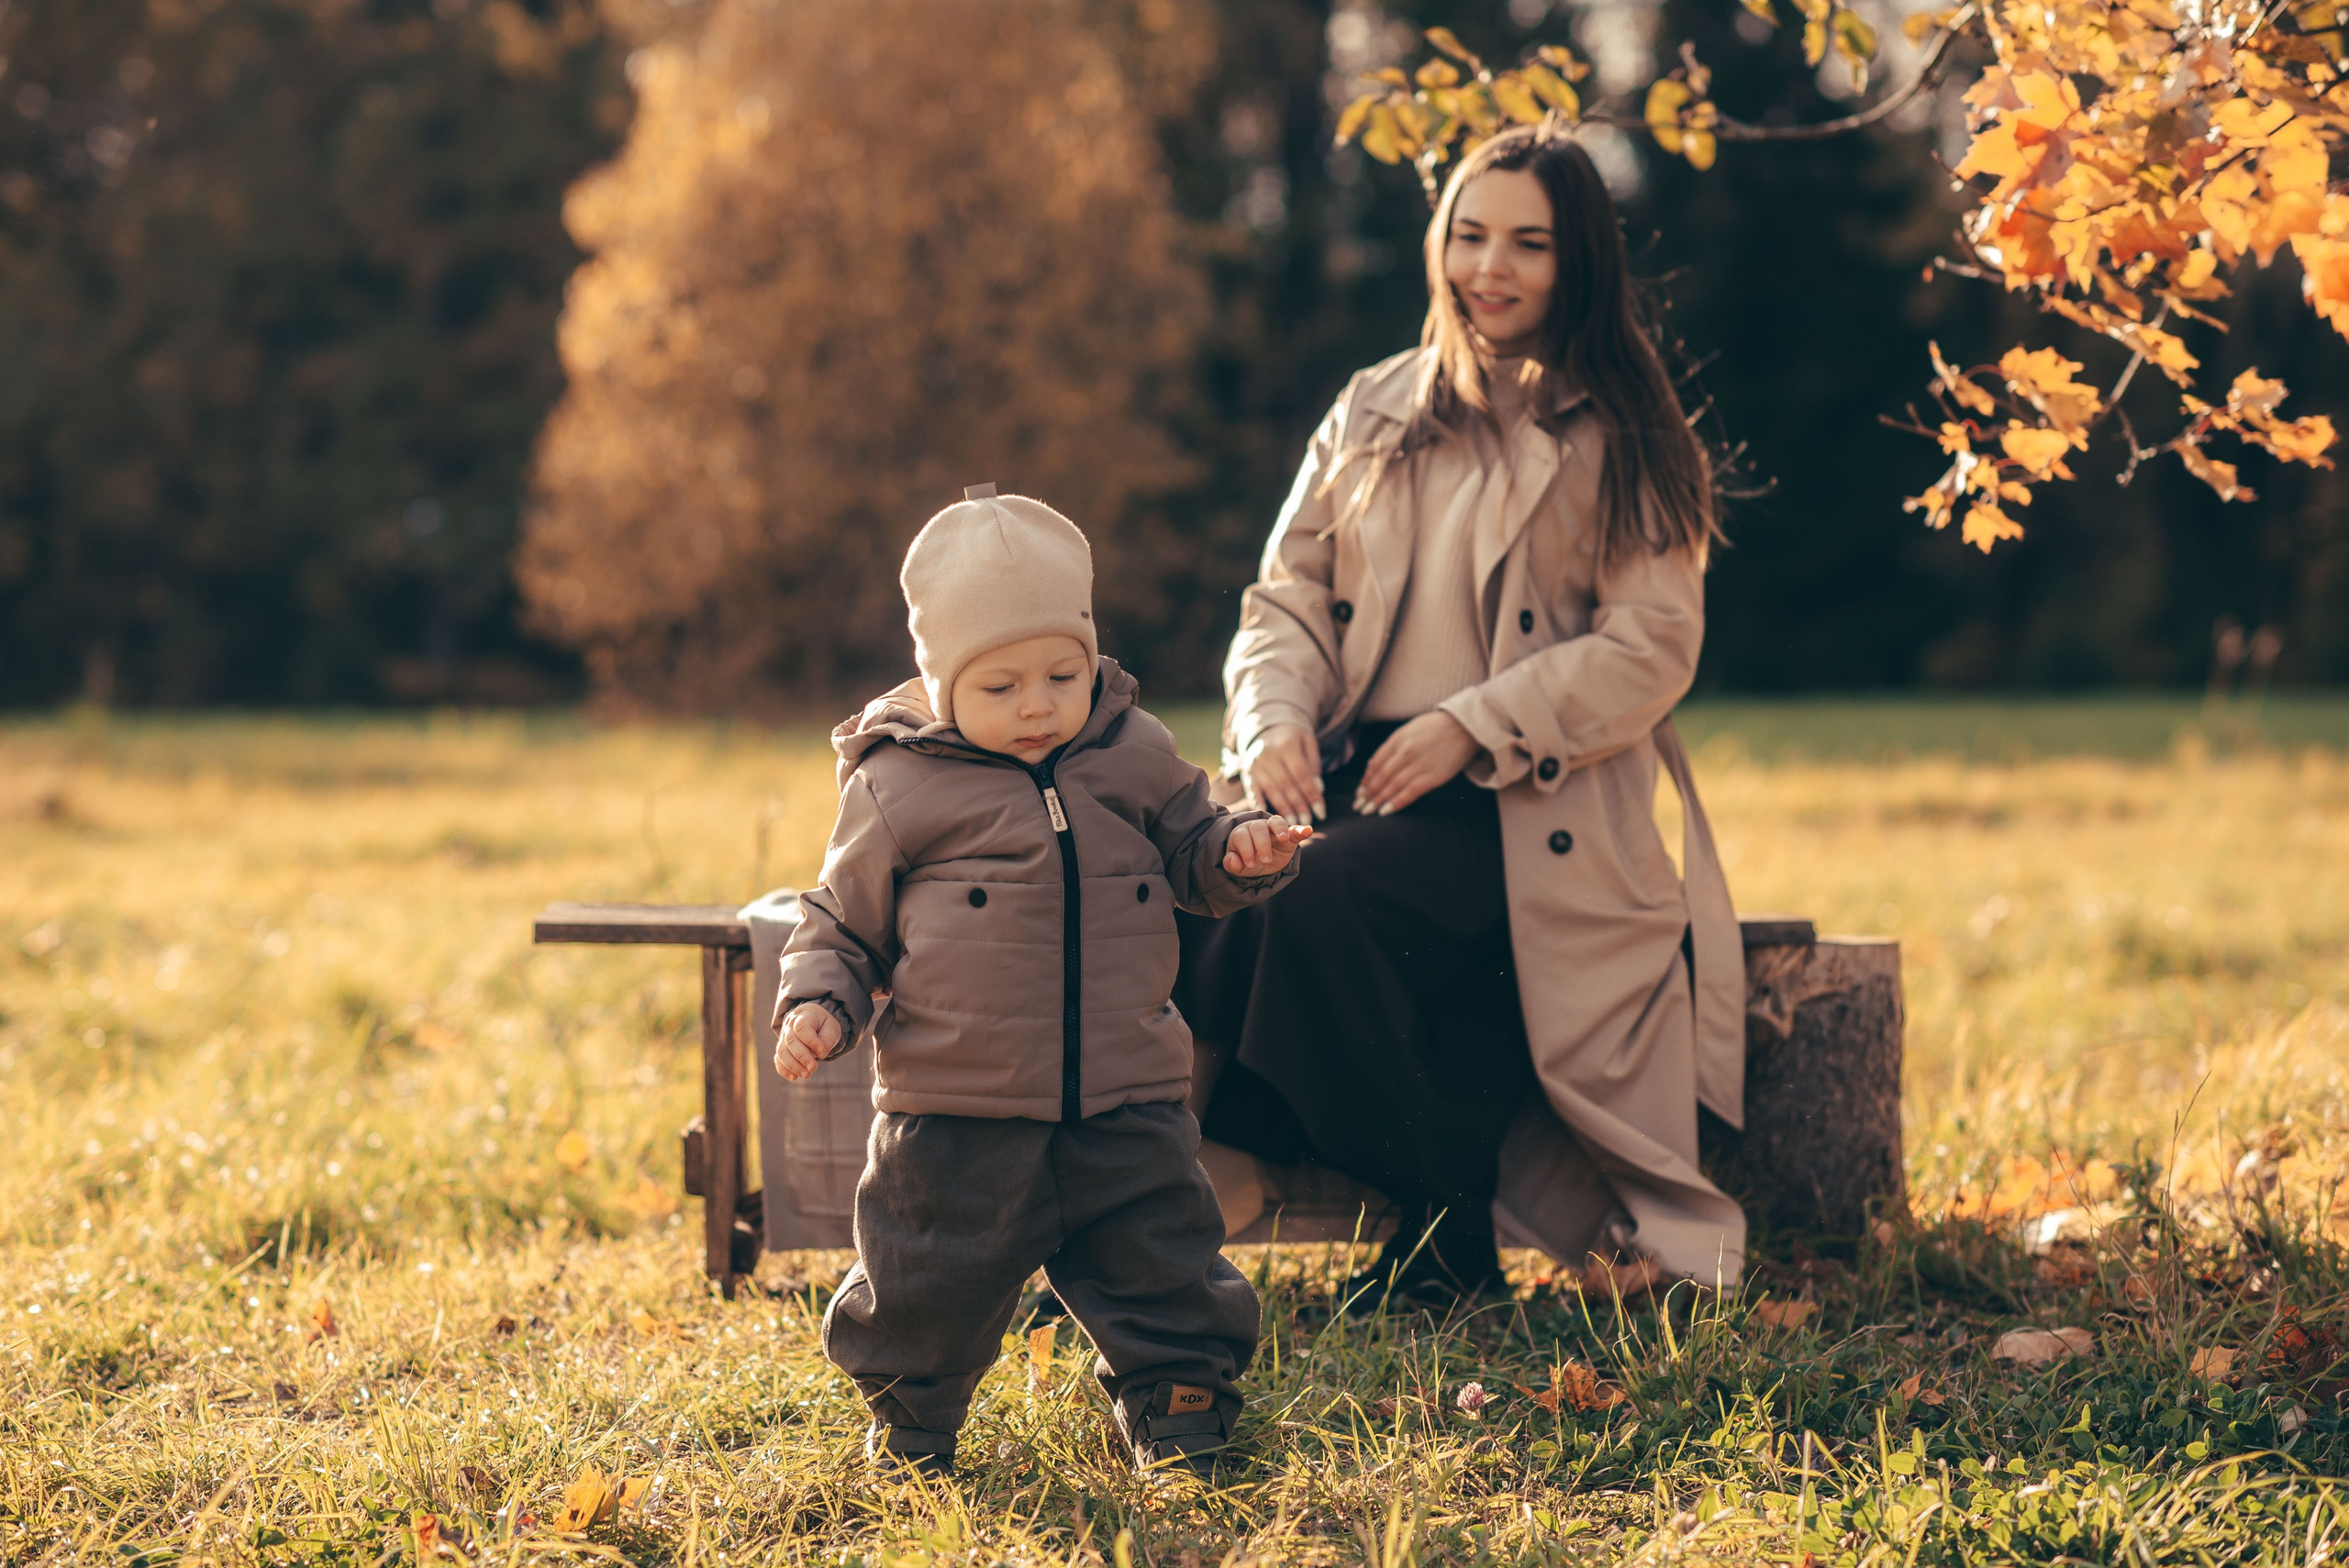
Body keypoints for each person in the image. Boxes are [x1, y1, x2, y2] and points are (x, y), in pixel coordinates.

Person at [1178, 124, 1748, 1311]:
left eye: (1528, 244)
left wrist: (1474, 724)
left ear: (1576, 262)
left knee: (1317, 894)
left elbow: (1654, 646)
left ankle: (1432, 1225)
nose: (1490, 267)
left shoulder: (1629, 429)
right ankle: (1426, 1244)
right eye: (1470, 235)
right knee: (1211, 891)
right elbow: (1285, 597)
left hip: (1525, 801)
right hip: (1351, 778)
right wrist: (1271, 721)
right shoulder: (1375, 406)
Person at [773, 485, 1311, 1480]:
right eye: (1000, 684)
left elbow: (1195, 842)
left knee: (1164, 1258)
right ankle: (911, 1426)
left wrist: (1241, 848)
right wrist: (819, 1001)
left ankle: (1182, 1406)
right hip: (958, 1107)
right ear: (940, 685)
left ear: (1091, 656)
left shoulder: (1131, 754)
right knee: (926, 1274)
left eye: (1062, 673)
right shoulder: (898, 788)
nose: (1036, 705)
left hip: (1126, 1094)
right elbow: (841, 921)